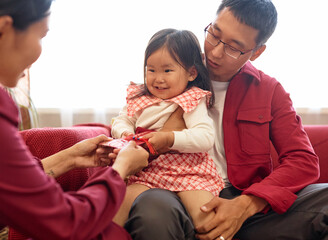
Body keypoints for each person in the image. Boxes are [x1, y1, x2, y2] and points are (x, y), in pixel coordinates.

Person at [124, 0, 328, 240]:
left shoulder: (269, 90)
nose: (215, 52)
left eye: (234, 47)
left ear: (257, 52)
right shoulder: (171, 72)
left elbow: (302, 160)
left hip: (246, 204)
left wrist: (247, 204)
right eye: (214, 34)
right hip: (175, 194)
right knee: (152, 208)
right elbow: (132, 131)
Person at [0, 1, 149, 239]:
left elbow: (8, 182)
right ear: (0, 31)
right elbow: (65, 222)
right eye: (40, 36)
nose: (39, 52)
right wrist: (120, 169)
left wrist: (71, 157)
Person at [110, 29, 224, 227]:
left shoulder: (191, 99)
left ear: (191, 73)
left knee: (207, 220)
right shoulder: (139, 97)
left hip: (188, 170)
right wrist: (126, 134)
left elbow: (205, 136)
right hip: (146, 169)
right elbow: (121, 121)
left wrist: (170, 139)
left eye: (167, 70)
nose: (158, 78)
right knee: (115, 214)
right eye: (151, 70)